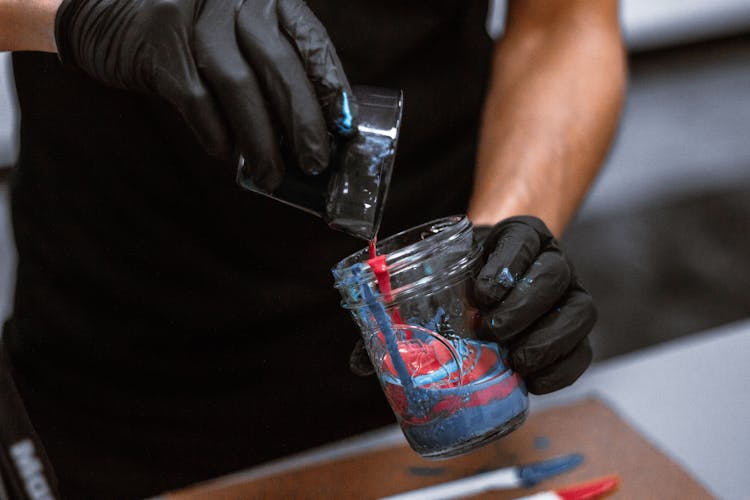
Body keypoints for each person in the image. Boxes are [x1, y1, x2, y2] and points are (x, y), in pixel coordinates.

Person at [0, 0, 626, 497]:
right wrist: (81, 10)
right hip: (123, 371)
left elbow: (563, 25)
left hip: (434, 348)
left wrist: (498, 244)